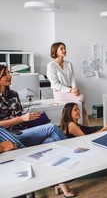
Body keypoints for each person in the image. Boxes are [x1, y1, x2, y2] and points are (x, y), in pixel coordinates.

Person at [0, 65, 76, 197]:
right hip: (9, 138)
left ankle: (60, 181)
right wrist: (21, 119)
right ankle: (74, 158)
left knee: (51, 140)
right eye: (5, 74)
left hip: (23, 132)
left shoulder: (13, 94)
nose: (10, 76)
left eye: (9, 73)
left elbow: (20, 117)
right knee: (52, 128)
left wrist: (31, 118)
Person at [47, 42, 89, 126]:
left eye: (65, 48)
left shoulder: (69, 64)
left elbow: (73, 78)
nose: (64, 50)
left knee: (80, 104)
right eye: (61, 48)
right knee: (82, 98)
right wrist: (71, 90)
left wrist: (75, 89)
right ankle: (83, 125)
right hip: (59, 92)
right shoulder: (51, 65)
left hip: (70, 91)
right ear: (55, 51)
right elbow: (55, 84)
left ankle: (81, 125)